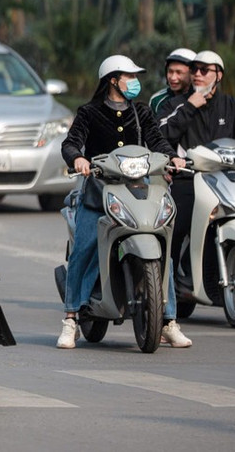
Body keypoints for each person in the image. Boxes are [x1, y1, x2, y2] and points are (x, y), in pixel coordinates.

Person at [57, 54, 188, 349]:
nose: (134, 82)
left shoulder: (141, 112)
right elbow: (71, 142)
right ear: (113, 80)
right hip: (99, 193)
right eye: (129, 77)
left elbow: (157, 140)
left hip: (138, 188)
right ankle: (70, 318)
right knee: (84, 248)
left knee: (160, 244)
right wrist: (78, 157)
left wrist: (172, 157)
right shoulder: (89, 112)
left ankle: (168, 320)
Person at [157, 50, 235, 323]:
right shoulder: (177, 104)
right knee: (174, 227)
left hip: (227, 178)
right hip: (189, 178)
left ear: (219, 75)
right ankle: (160, 290)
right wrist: (190, 106)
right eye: (196, 69)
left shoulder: (232, 106)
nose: (199, 74)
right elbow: (161, 133)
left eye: (206, 70)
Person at [149, 48, 196, 115]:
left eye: (179, 72)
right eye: (170, 71)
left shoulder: (203, 99)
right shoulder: (157, 100)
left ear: (192, 74)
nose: (173, 78)